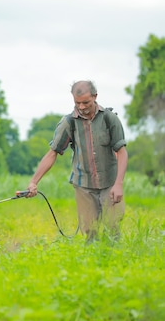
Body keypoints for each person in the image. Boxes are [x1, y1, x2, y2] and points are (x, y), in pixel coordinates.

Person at [23, 80, 128, 241]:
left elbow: (121, 152)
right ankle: (92, 262)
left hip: (110, 183)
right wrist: (33, 182)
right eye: (77, 103)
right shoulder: (69, 122)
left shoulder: (109, 119)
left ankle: (115, 261)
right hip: (83, 185)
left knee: (112, 228)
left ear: (95, 96)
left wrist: (119, 184)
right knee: (89, 231)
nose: (82, 107)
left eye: (86, 102)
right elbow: (53, 153)